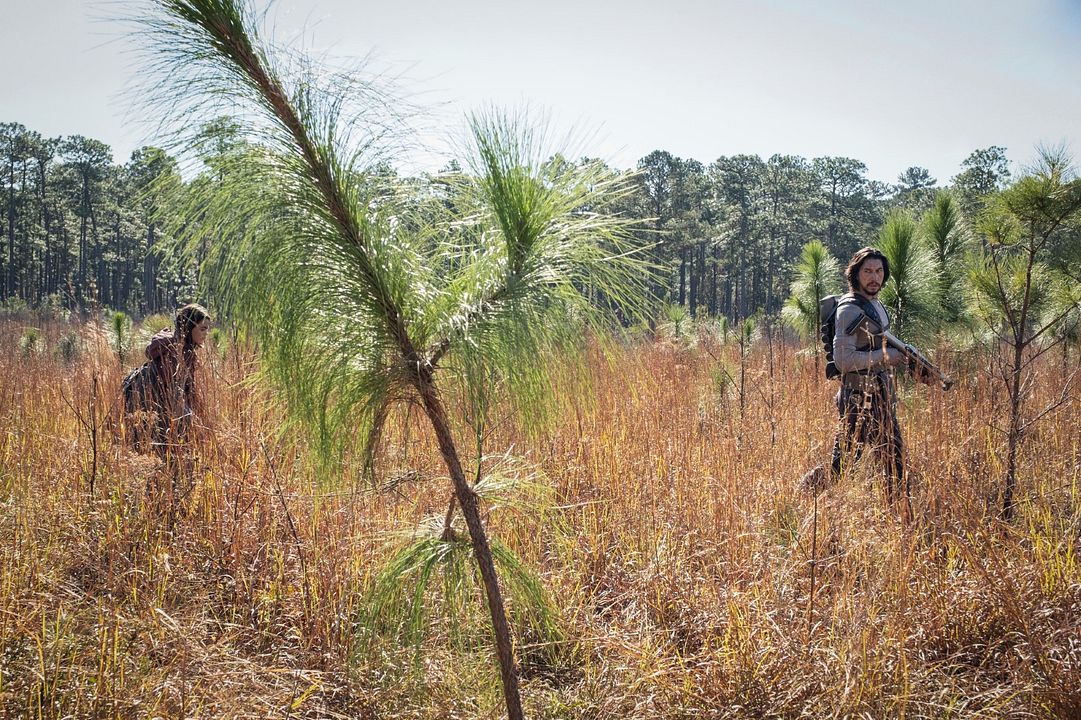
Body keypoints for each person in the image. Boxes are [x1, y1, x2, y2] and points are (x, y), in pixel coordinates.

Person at [824, 247, 931, 502]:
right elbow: (843, 361)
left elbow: (880, 342)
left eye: (879, 271)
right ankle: (822, 503)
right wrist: (887, 357)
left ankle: (896, 510)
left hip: (880, 396)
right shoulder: (849, 310)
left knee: (893, 461)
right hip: (857, 398)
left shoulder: (876, 305)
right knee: (845, 465)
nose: (874, 277)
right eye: (868, 271)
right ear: (855, 274)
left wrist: (910, 360)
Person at [122, 303, 211, 452]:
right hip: (149, 406)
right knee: (159, 450)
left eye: (207, 329)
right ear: (188, 328)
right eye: (202, 329)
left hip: (146, 404)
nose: (206, 333)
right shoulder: (178, 352)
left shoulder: (178, 347)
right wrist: (194, 421)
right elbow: (174, 394)